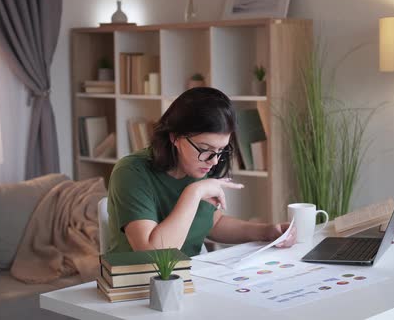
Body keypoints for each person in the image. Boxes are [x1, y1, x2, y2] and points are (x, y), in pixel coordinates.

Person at [107, 87, 296, 256]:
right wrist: (194, 192)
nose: (214, 160)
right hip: (136, 286)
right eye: (205, 148)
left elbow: (211, 222)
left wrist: (267, 232)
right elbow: (152, 254)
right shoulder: (131, 172)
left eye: (221, 150)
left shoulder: (199, 165)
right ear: (175, 137)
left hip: (190, 277)